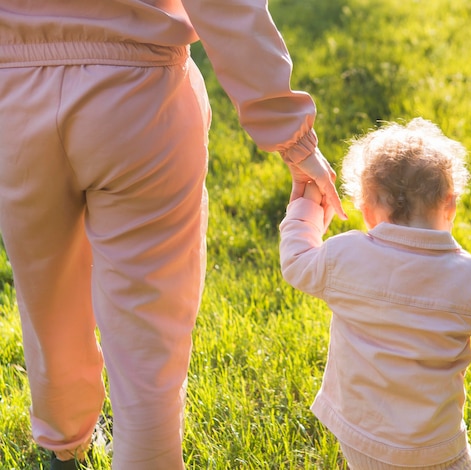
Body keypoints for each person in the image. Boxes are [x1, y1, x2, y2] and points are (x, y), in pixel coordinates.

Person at [0, 1, 346, 469]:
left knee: (45, 293)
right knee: (148, 324)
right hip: (137, 94)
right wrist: (291, 136)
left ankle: (62, 445)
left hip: (12, 97)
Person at [279, 118, 471, 470]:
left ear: (367, 211)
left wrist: (310, 207)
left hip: (360, 434)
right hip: (434, 445)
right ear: (449, 204)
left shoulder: (344, 256)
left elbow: (296, 260)